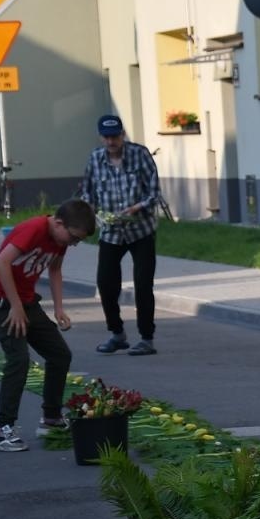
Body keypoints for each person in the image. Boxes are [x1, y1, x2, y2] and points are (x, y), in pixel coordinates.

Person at [0, 199, 97, 451]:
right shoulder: (33, 229)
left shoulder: (59, 240)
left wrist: (58, 308)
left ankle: (51, 418)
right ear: (58, 223)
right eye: (73, 238)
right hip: (0, 301)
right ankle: (3, 430)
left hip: (25, 302)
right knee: (19, 359)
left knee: (59, 354)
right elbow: (2, 262)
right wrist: (16, 306)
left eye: (77, 241)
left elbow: (55, 271)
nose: (73, 244)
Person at [78, 114, 162, 356]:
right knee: (105, 283)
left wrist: (136, 208)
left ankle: (147, 338)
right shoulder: (95, 159)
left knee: (143, 284)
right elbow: (88, 194)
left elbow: (154, 191)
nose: (111, 141)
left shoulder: (140, 154)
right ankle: (117, 333)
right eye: (107, 136)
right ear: (100, 137)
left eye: (115, 136)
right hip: (111, 231)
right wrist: (92, 214)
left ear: (123, 134)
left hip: (141, 229)